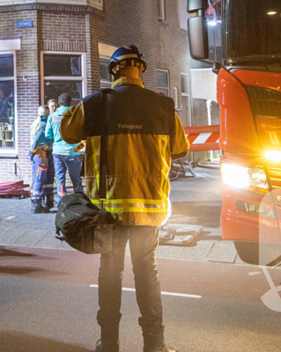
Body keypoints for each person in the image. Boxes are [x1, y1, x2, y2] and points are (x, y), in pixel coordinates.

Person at [60, 45, 188, 352]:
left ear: (113, 70)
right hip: (149, 208)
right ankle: (154, 346)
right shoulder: (163, 106)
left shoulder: (95, 104)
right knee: (147, 272)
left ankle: (109, 343)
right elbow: (180, 149)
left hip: (107, 211)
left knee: (110, 272)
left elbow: (67, 133)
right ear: (140, 70)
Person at [49, 93, 83, 197]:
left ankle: (61, 203)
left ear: (59, 103)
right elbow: (83, 134)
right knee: (76, 178)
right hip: (72, 151)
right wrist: (77, 149)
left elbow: (48, 134)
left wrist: (57, 144)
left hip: (57, 152)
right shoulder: (76, 115)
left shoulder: (53, 116)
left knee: (60, 179)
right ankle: (80, 201)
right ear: (70, 102)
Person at [29, 105, 55, 213]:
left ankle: (35, 200)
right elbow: (37, 138)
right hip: (41, 154)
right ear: (47, 113)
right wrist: (32, 149)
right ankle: (37, 204)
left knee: (36, 177)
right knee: (40, 178)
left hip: (37, 154)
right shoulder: (43, 124)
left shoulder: (36, 122)